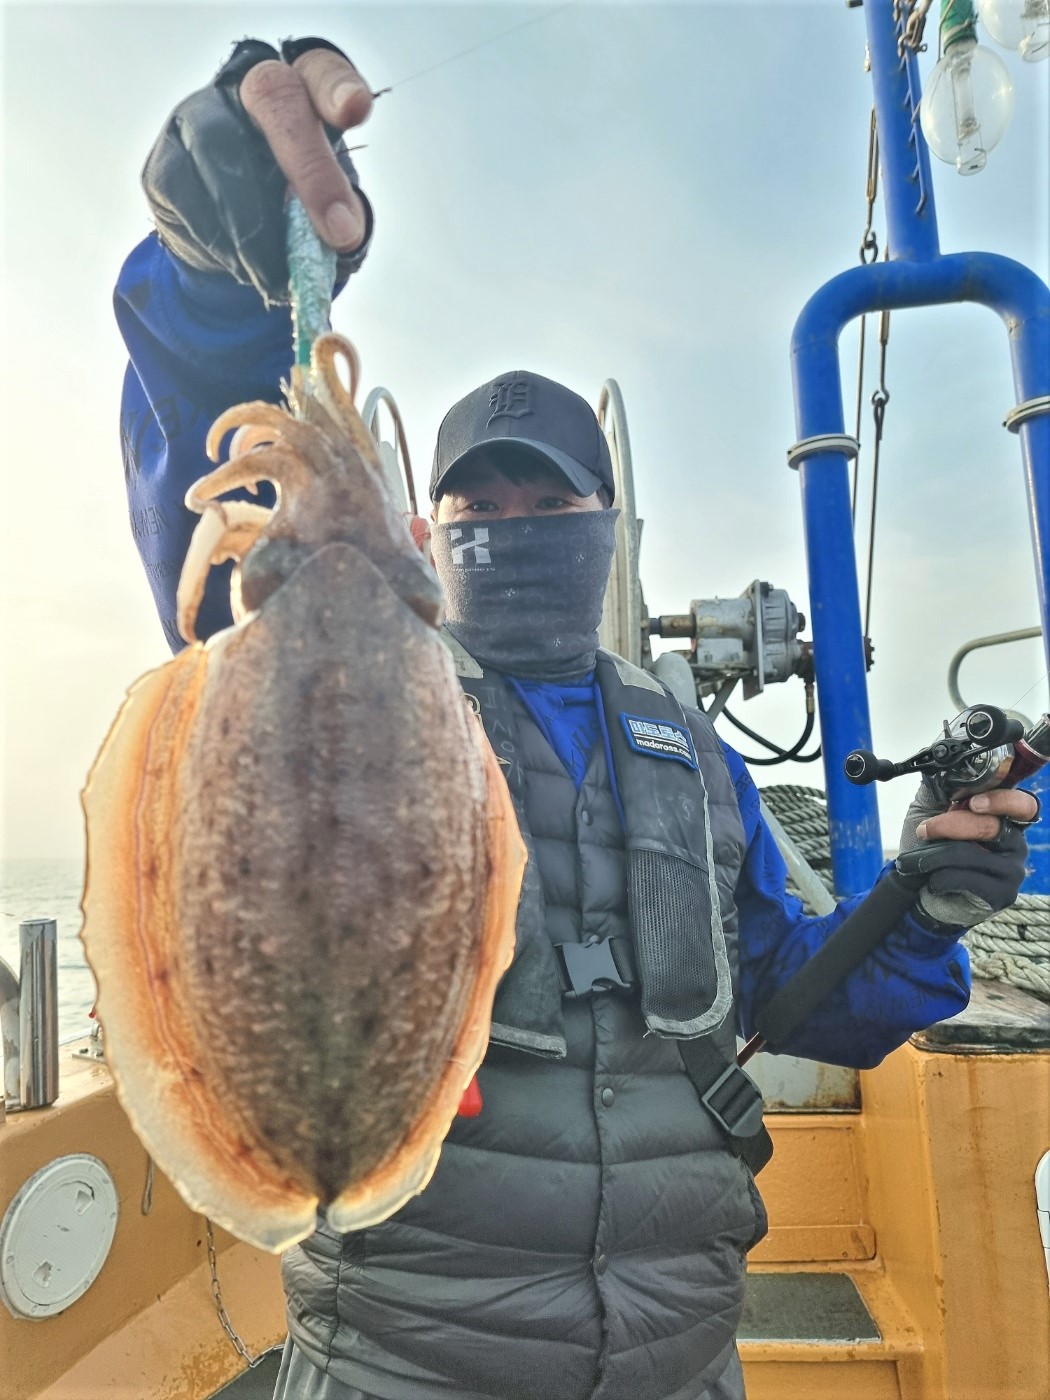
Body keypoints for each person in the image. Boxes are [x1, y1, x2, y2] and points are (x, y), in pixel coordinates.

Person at [114, 39, 1039, 1400]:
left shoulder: (686, 748)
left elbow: (799, 1000)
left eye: (550, 504)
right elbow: (224, 540)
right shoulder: (363, 686)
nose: (516, 527)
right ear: (429, 532)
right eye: (480, 507)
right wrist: (211, 278)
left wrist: (926, 899)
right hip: (404, 1356)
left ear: (604, 524)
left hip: (679, 1353)